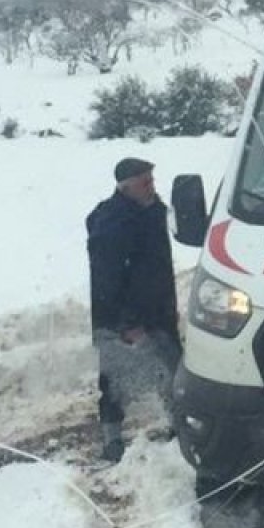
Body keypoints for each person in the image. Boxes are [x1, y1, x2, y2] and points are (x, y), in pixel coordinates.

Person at [86, 157, 181, 462]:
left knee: (173, 371)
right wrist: (126, 323)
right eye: (145, 182)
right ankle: (112, 439)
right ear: (126, 187)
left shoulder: (152, 212)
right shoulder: (111, 223)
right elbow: (106, 279)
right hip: (120, 320)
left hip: (158, 312)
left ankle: (179, 427)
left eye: (152, 180)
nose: (152, 187)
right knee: (115, 377)